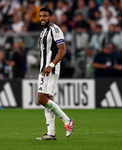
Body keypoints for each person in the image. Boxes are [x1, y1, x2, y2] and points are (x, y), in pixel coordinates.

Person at [35, 8, 75, 141]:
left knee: (41, 99)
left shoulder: (55, 29)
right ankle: (51, 133)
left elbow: (62, 50)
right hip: (44, 69)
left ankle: (67, 120)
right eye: (40, 16)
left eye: (45, 16)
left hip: (50, 70)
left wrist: (50, 65)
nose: (42, 18)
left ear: (51, 17)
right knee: (48, 100)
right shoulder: (43, 32)